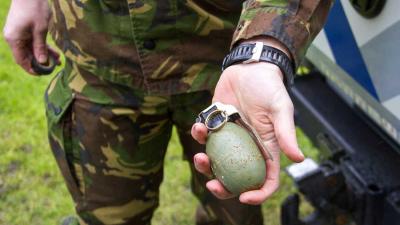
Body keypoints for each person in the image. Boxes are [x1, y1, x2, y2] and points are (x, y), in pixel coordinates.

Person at [3, 0, 333, 224]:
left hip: (225, 66)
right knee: (106, 217)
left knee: (236, 211)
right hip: (100, 64)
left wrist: (262, 51)